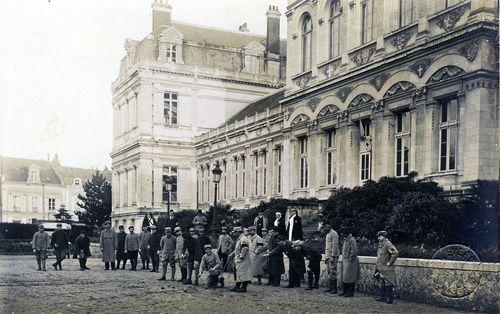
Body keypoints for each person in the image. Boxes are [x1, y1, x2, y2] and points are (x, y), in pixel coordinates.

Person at [374, 230, 399, 304]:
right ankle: (383, 297)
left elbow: (395, 253)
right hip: (381, 267)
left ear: (384, 237)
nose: (378, 238)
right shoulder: (381, 244)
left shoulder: (388, 244)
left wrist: (390, 263)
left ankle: (389, 298)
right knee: (382, 282)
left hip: (386, 268)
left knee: (388, 282)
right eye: (378, 236)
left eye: (380, 236)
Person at [229, 226, 252, 293]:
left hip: (243, 259)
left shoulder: (243, 238)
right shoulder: (240, 238)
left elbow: (245, 248)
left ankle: (243, 287)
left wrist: (241, 256)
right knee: (239, 273)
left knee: (244, 273)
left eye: (235, 232)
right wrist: (232, 254)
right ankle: (237, 286)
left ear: (238, 232)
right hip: (240, 259)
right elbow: (238, 249)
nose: (234, 234)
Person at [340, 229, 359, 297]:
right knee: (345, 277)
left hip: (351, 261)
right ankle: (345, 291)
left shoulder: (352, 240)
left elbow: (354, 251)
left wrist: (350, 259)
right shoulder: (346, 240)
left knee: (350, 277)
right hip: (345, 260)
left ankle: (350, 292)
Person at [324, 224, 340, 294]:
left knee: (333, 272)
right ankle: (330, 287)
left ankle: (334, 289)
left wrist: (333, 256)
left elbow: (335, 245)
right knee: (329, 272)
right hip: (328, 256)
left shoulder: (334, 234)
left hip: (332, 256)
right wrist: (326, 257)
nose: (325, 228)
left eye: (326, 227)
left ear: (329, 227)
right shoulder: (328, 234)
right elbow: (327, 246)